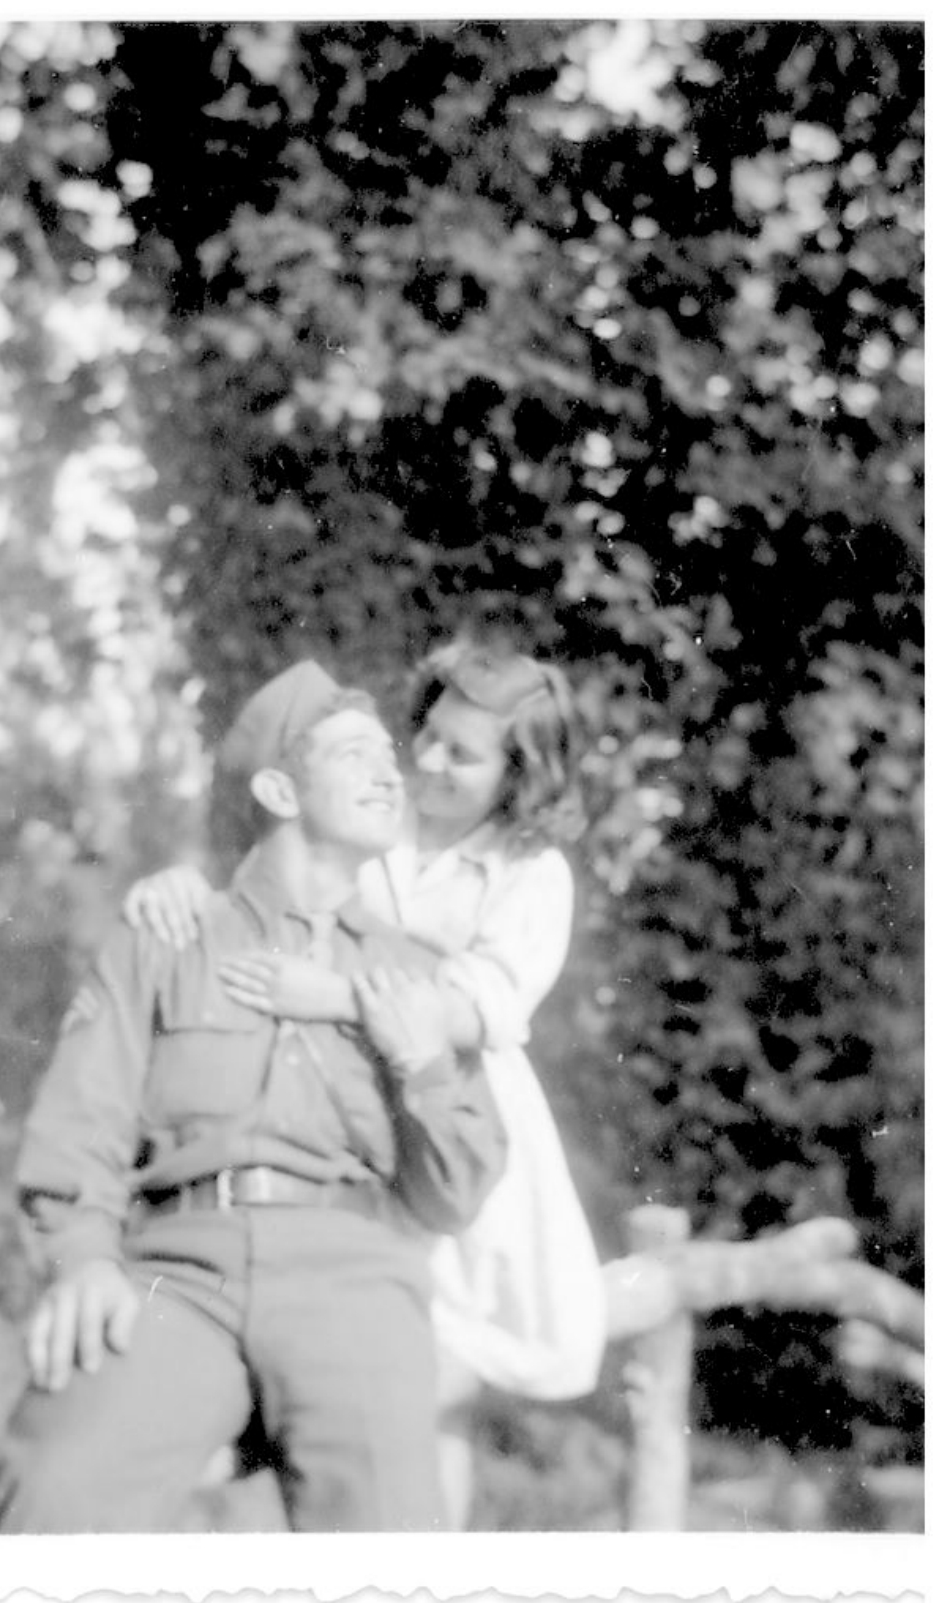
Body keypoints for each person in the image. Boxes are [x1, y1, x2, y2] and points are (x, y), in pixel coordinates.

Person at [0, 661, 507, 1535]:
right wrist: (82, 1259)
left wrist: (423, 1066)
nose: (389, 773)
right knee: (50, 1495)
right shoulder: (167, 934)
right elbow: (84, 1120)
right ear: (276, 788)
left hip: (356, 1278)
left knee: (390, 1536)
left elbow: (452, 1193)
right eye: (352, 754)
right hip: (173, 1275)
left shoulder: (414, 972)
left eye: (388, 754)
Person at [126, 638, 608, 1526]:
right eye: (423, 736)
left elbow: (477, 1006)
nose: (426, 761)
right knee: (356, 1362)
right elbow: (279, 867)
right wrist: (181, 887)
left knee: (432, 1362)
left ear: (520, 776)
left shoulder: (529, 874)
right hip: (340, 1106)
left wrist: (335, 993)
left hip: (449, 1111)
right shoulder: (382, 820)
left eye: (461, 756)